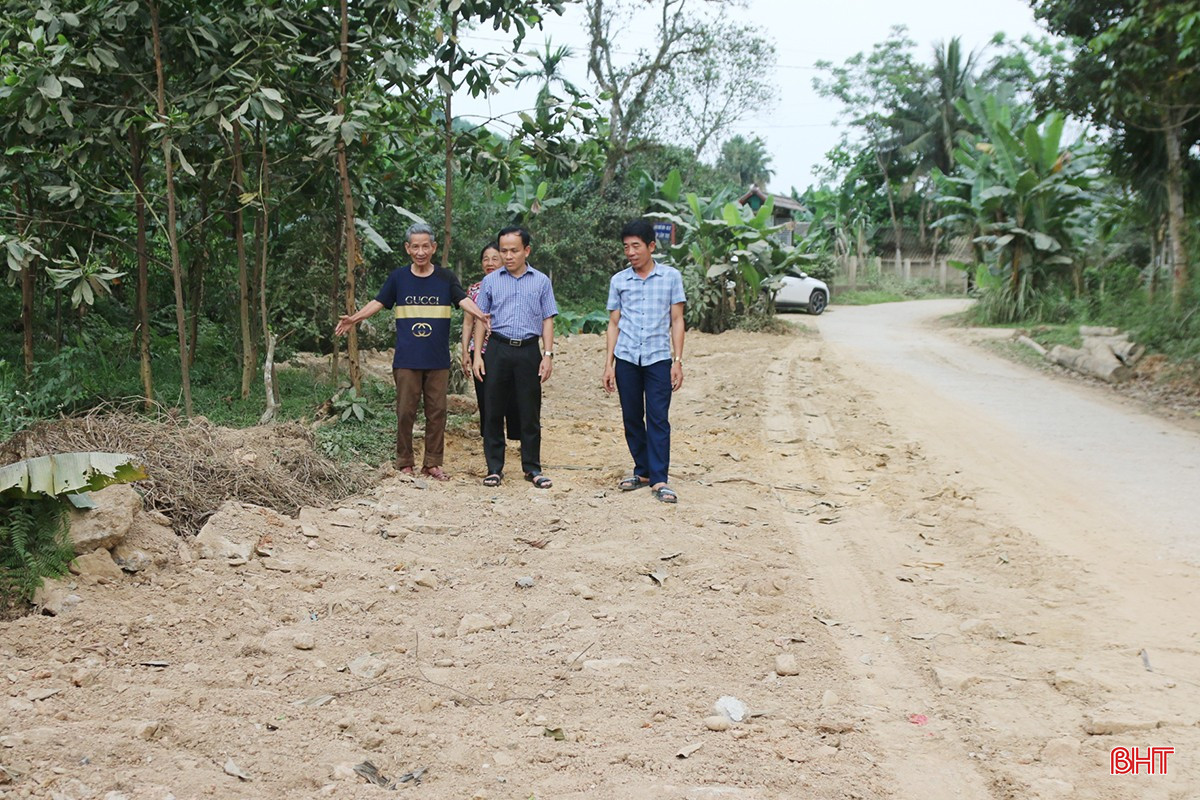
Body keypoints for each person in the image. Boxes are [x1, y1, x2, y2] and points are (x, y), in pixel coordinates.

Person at [335, 222, 487, 481]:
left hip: (437, 359)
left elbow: (462, 300)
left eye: (425, 246)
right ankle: (405, 461)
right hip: (406, 359)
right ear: (407, 248)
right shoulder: (398, 278)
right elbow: (378, 302)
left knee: (437, 412)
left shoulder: (445, 278)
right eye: (415, 246)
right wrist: (355, 319)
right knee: (405, 411)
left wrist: (480, 314)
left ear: (434, 247)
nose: (420, 251)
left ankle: (432, 463)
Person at [602, 218, 685, 503]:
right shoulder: (619, 280)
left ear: (651, 246)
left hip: (658, 357)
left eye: (636, 246)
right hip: (626, 357)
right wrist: (609, 363)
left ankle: (660, 478)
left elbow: (677, 320)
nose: (630, 252)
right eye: (626, 247)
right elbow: (613, 323)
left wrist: (677, 360)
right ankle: (644, 470)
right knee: (631, 416)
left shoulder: (671, 277)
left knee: (659, 418)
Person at [471, 226, 558, 489]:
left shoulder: (541, 281)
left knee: (529, 410)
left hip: (529, 351)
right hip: (497, 349)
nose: (508, 256)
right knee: (493, 408)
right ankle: (494, 468)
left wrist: (548, 355)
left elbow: (548, 319)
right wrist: (477, 355)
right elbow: (480, 320)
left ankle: (532, 468)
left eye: (514, 251)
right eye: (503, 250)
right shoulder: (491, 281)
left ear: (526, 250)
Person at [460, 242, 519, 441]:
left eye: (495, 258)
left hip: (506, 347)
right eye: (485, 259)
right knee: (485, 395)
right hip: (482, 350)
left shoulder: (514, 285)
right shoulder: (475, 289)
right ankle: (489, 437)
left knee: (511, 394)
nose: (490, 263)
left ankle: (515, 435)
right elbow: (469, 323)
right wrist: (466, 352)